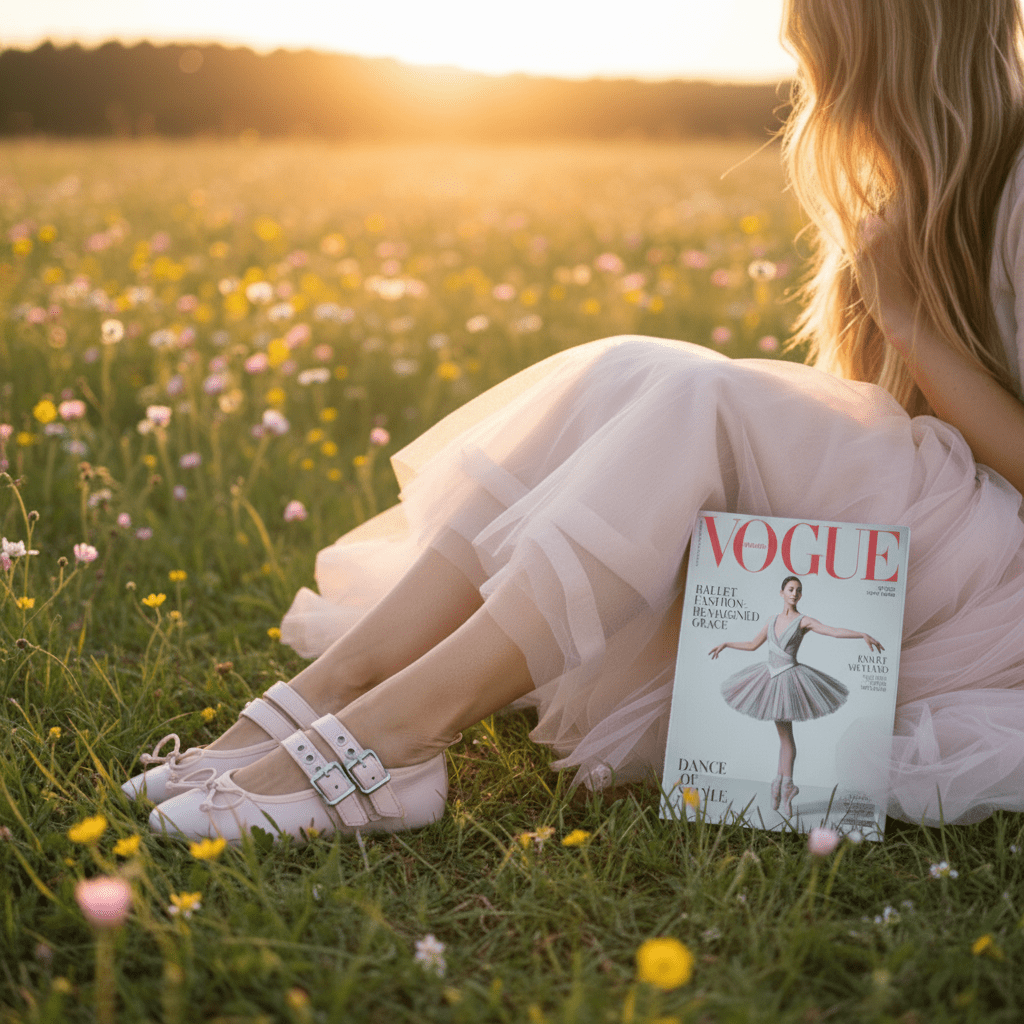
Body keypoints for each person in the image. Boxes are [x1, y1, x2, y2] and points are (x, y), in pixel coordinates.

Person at [125, 0, 1024, 842]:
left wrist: (909, 326)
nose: (805, 69)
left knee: (696, 397)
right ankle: (343, 684)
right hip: (939, 527)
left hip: (1000, 571)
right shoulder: (904, 184)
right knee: (640, 367)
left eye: (816, 44)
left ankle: (398, 734)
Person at [709, 576, 883, 818]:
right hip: (769, 678)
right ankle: (781, 784)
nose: (794, 594)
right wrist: (727, 643)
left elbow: (832, 631)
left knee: (786, 738)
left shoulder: (804, 621)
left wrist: (860, 634)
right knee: (783, 738)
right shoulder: (772, 620)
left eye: (798, 591)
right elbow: (752, 645)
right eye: (790, 589)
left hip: (789, 680)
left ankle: (785, 786)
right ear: (781, 592)